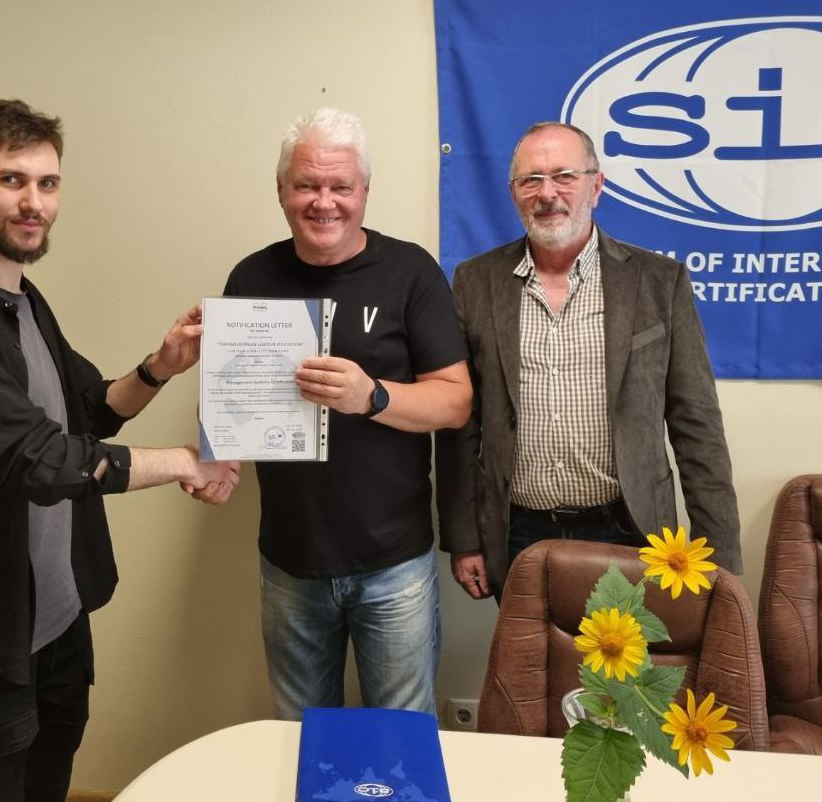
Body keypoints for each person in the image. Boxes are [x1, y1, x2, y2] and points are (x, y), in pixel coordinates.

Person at [0, 98, 238, 802]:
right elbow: (40, 459)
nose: (33, 202)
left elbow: (89, 410)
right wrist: (184, 462)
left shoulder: (25, 299)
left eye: (47, 183)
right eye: (10, 180)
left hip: (54, 625)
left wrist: (160, 366)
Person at [200, 107, 471, 719]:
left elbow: (456, 402)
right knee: (300, 736)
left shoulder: (410, 272)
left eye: (340, 186)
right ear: (281, 190)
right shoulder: (252, 275)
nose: (324, 202)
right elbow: (227, 396)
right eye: (307, 185)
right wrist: (219, 455)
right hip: (289, 561)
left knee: (399, 737)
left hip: (394, 564)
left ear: (365, 191)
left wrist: (372, 396)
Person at [436, 121, 739, 601]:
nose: (547, 193)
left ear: (596, 186)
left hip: (630, 530)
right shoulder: (475, 282)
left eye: (564, 176)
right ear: (513, 194)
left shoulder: (659, 282)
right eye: (531, 180)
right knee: (527, 653)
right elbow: (460, 423)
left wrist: (720, 561)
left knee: (625, 653)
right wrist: (464, 538)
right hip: (518, 534)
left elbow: (697, 425)